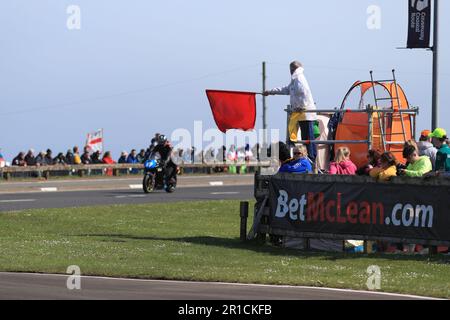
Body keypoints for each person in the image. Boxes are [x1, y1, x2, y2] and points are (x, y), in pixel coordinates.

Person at [264, 61, 318, 161]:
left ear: (292, 69)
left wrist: (301, 106)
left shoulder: (299, 78)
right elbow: (286, 89)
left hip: (305, 114)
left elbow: (303, 92)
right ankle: (310, 158)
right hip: (301, 114)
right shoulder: (295, 79)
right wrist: (271, 92)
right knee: (305, 138)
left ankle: (311, 159)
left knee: (308, 138)